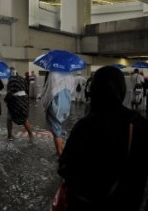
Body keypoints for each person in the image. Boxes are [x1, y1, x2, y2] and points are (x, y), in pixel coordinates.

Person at [58, 66, 148, 211]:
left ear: (94, 90)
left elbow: (65, 168)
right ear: (122, 89)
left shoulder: (86, 126)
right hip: (129, 203)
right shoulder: (139, 123)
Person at [40, 71, 75, 156]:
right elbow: (72, 90)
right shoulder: (69, 74)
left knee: (56, 131)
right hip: (66, 103)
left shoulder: (53, 74)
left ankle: (60, 153)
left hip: (56, 103)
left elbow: (50, 92)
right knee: (59, 127)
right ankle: (61, 148)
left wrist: (44, 105)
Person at [4, 67, 34, 143]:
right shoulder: (21, 78)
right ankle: (31, 135)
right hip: (23, 101)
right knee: (24, 119)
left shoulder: (11, 80)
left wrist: (6, 99)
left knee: (9, 119)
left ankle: (9, 135)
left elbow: (10, 92)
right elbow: (26, 89)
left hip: (14, 103)